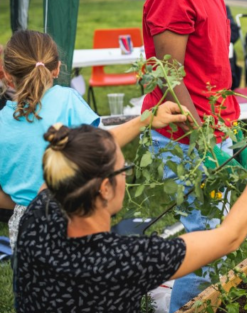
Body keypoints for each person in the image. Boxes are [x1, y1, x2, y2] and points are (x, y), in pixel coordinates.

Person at [13, 123, 247, 313]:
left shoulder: (39, 213)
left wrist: (146, 119)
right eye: (123, 170)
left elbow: (77, 159)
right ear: (105, 189)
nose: (126, 176)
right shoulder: (122, 259)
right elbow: (229, 237)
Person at [142, 0, 247, 313]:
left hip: (212, 134)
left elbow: (212, 71)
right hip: (186, 140)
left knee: (218, 234)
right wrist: (205, 140)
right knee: (204, 240)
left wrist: (229, 130)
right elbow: (170, 77)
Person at [0, 30, 189, 251]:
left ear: (6, 74)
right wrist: (145, 120)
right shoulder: (65, 99)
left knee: (36, 282)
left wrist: (26, 204)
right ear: (57, 68)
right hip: (72, 215)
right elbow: (102, 143)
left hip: (23, 225)